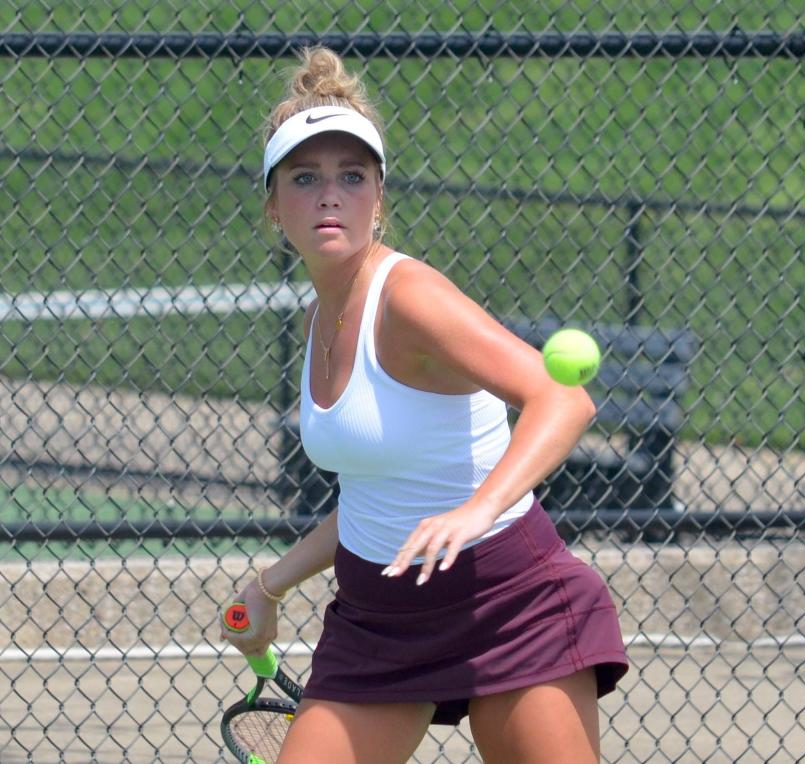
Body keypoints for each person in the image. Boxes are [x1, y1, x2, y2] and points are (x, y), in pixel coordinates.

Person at [221, 45, 628, 764]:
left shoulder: (408, 297)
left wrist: (476, 509)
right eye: (305, 177)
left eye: (353, 177)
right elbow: (381, 492)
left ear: (378, 202)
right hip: (376, 621)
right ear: (272, 205)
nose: (329, 195)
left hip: (504, 597)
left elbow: (563, 398)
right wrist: (271, 584)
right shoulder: (321, 315)